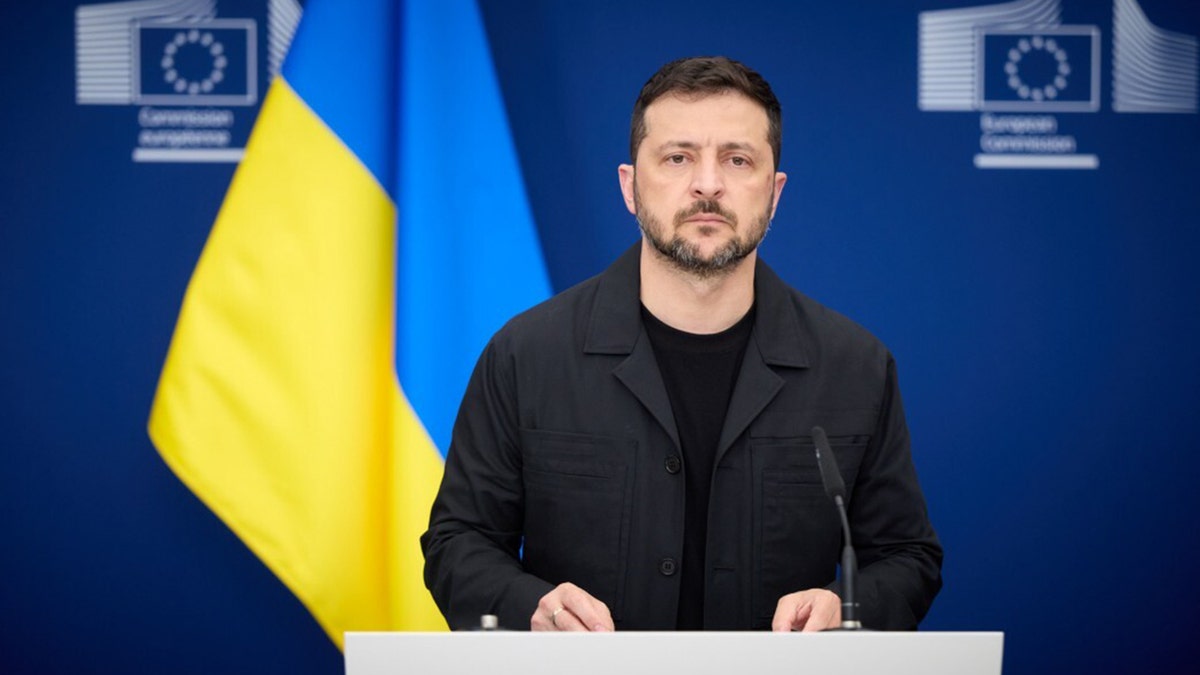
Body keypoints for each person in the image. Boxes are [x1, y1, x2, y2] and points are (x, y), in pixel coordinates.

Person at [421, 56, 942, 632]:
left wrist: (848, 609)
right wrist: (530, 607)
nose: (708, 183)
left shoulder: (854, 367)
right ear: (629, 186)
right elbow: (457, 543)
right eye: (678, 157)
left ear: (775, 192)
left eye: (737, 160)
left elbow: (908, 557)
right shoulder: (527, 356)